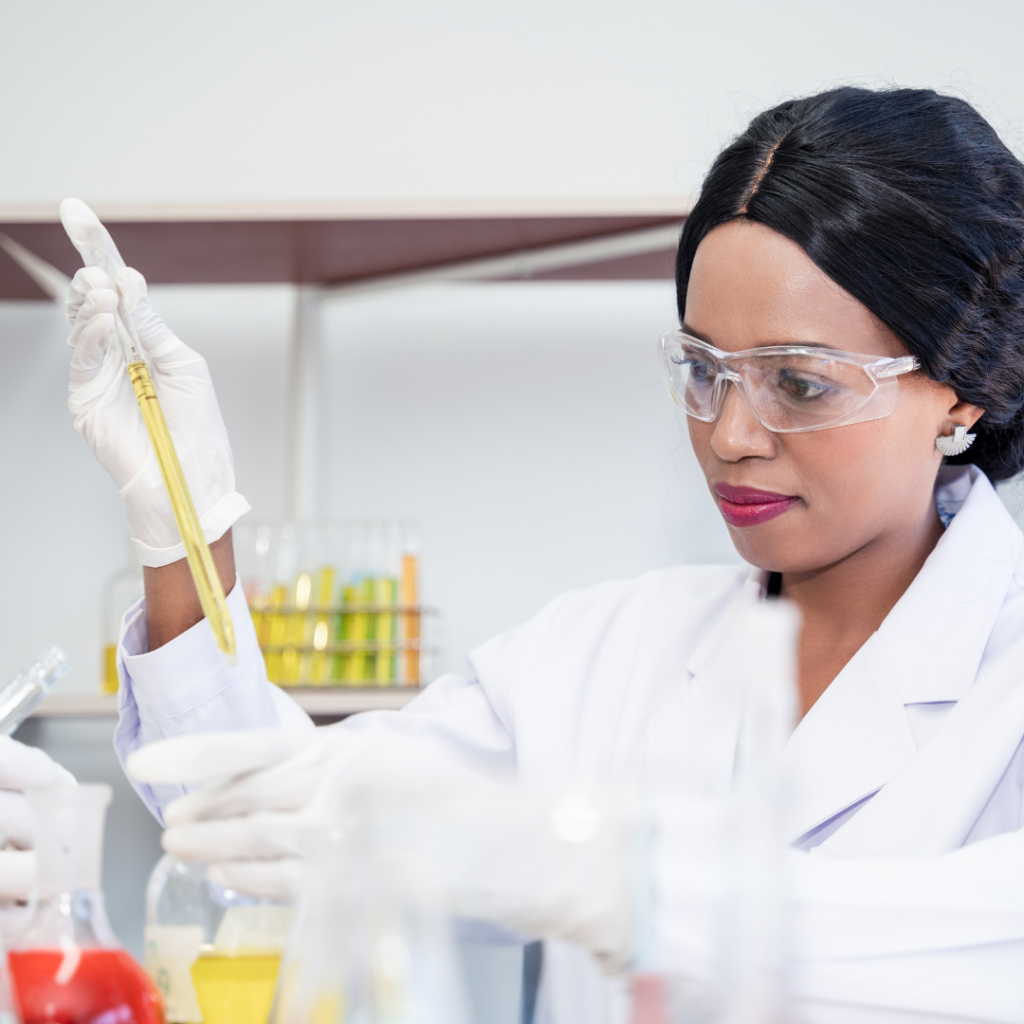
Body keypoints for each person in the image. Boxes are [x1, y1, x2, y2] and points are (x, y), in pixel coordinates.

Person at [66, 85, 1024, 1022]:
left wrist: (622, 886)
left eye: (801, 385)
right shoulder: (605, 652)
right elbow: (257, 816)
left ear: (964, 385)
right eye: (703, 370)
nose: (731, 432)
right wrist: (185, 527)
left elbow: (989, 947)